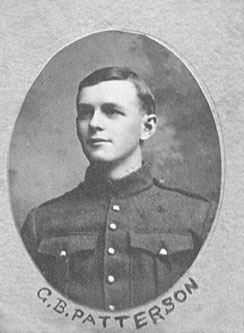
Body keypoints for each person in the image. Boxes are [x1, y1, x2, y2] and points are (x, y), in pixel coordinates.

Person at [21, 66, 217, 312]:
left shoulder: (199, 217)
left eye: (111, 111)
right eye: (85, 113)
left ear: (147, 127)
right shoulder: (41, 223)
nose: (94, 123)